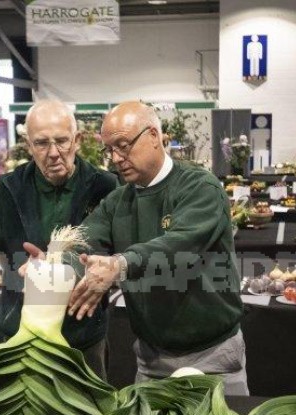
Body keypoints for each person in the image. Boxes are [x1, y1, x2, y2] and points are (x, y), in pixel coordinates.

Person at [26, 101, 247, 394]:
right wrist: (53, 266)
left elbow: (180, 246)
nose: (116, 158)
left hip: (214, 358)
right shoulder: (117, 203)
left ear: (154, 136)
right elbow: (83, 241)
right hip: (151, 361)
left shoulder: (200, 187)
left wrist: (120, 264)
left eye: (123, 145)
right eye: (110, 150)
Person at [0, 99, 118, 378]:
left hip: (81, 330)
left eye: (62, 141)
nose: (53, 153)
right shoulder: (10, 187)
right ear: (29, 145)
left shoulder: (105, 186)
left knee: (88, 413)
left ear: (77, 140)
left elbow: (116, 253)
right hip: (21, 329)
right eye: (42, 143)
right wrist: (24, 276)